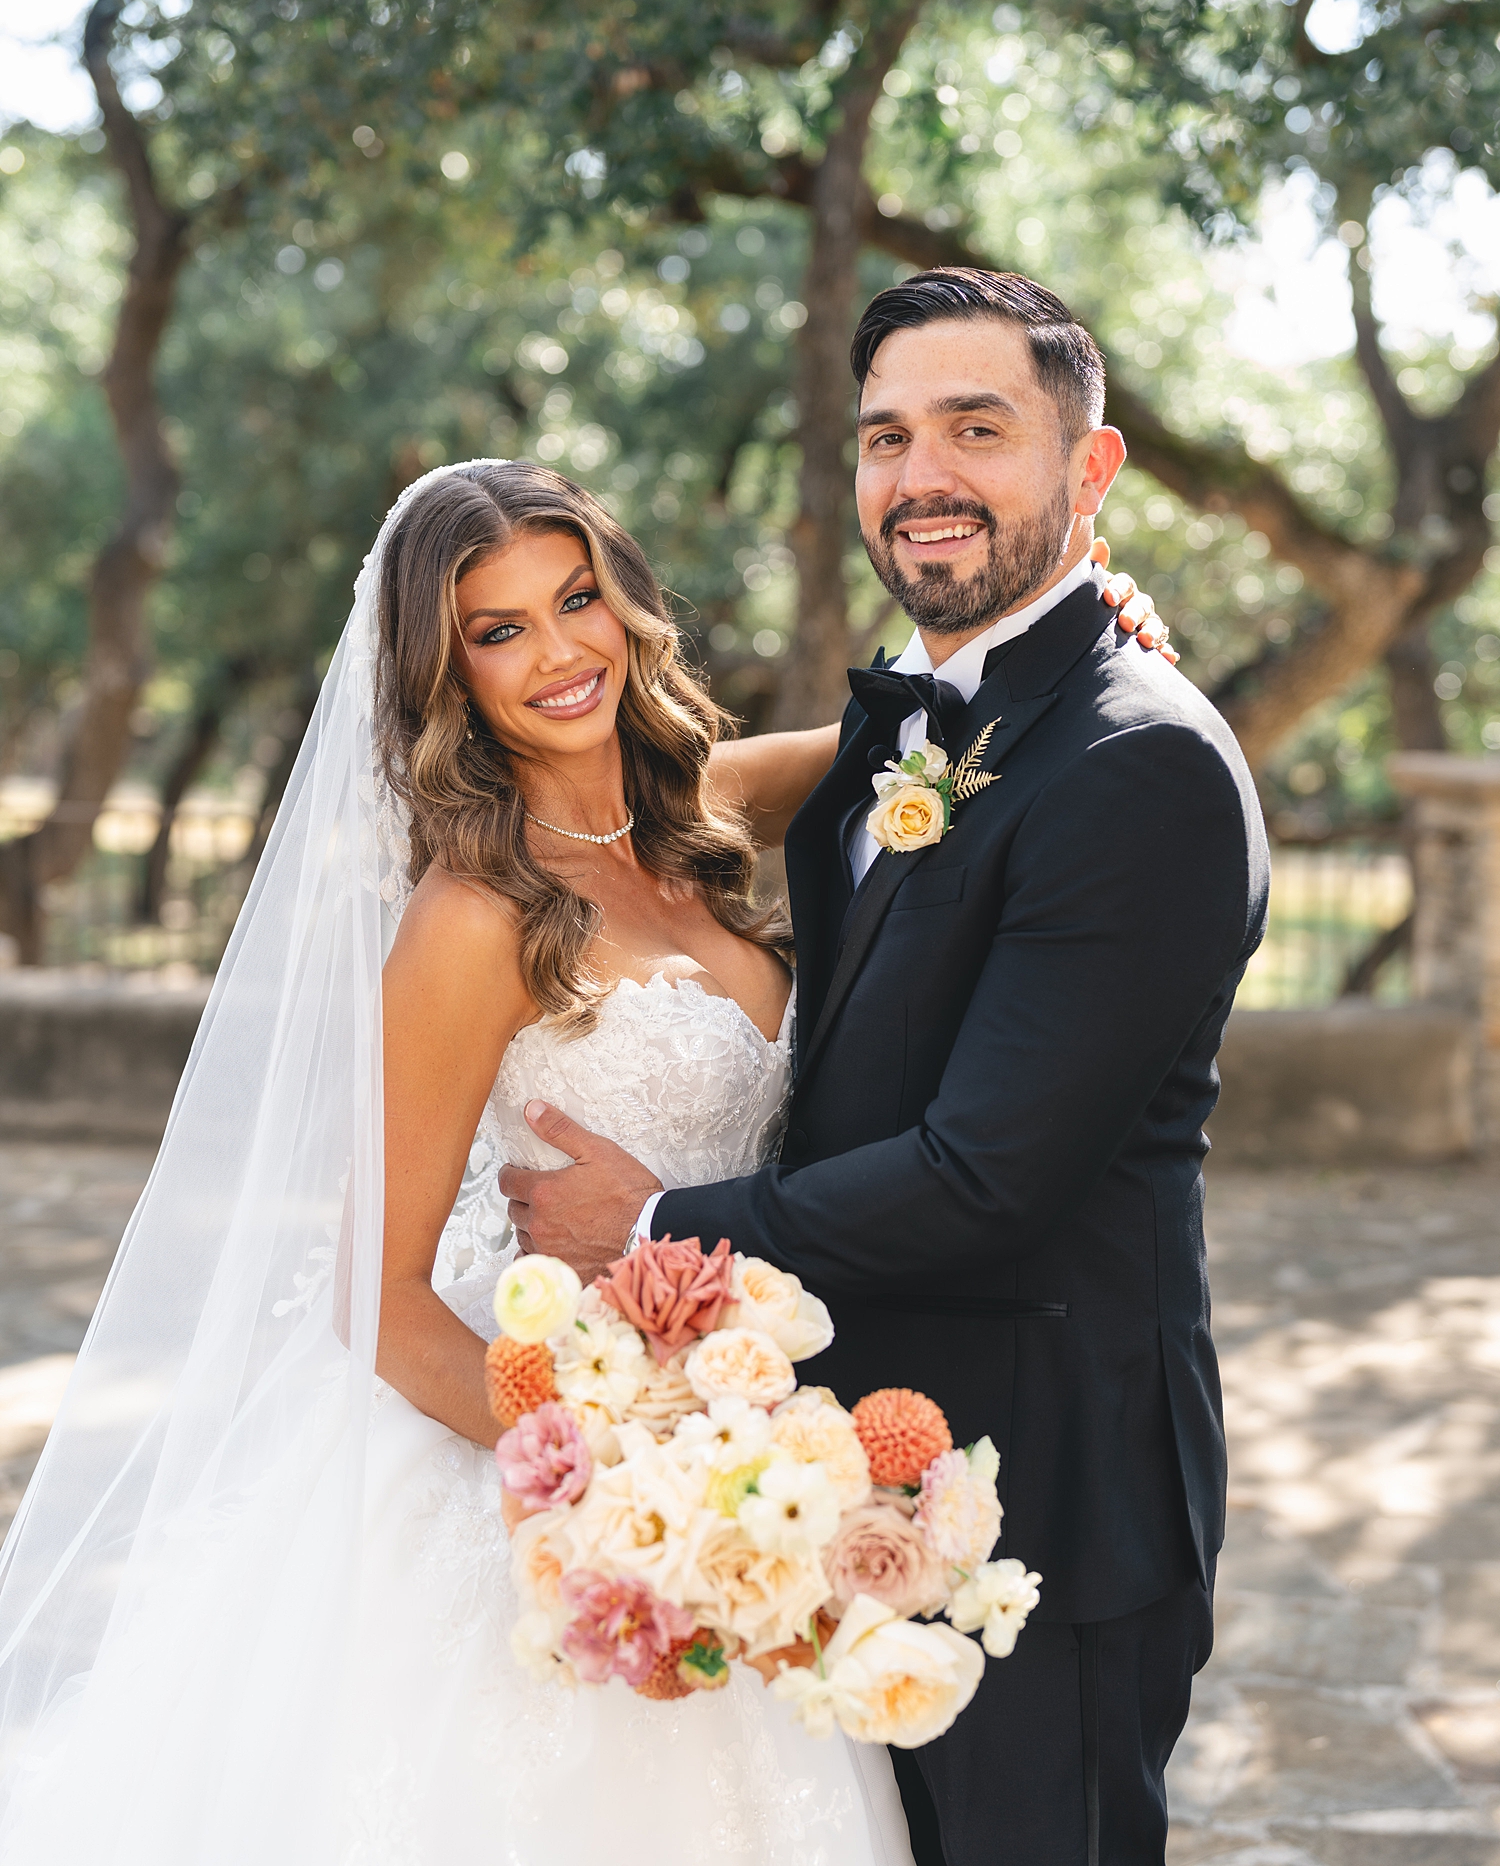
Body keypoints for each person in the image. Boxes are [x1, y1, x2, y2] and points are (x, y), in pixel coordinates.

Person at [0, 452, 1170, 1865]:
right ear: (449, 674)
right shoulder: (472, 916)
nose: (559, 653)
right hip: (551, 1470)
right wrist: (610, 1478)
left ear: (625, 604)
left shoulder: (699, 815)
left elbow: (946, 739)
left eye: (577, 600)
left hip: (739, 1451)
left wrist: (1096, 641)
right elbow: (373, 1304)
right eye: (500, 631)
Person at [503, 270, 1271, 1866]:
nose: (922, 476)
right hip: (830, 1478)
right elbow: (611, 817)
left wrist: (653, 1238)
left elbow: (990, 1170)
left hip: (1040, 1500)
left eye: (978, 430)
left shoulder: (1142, 765)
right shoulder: (916, 726)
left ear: (1092, 468)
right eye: (887, 437)